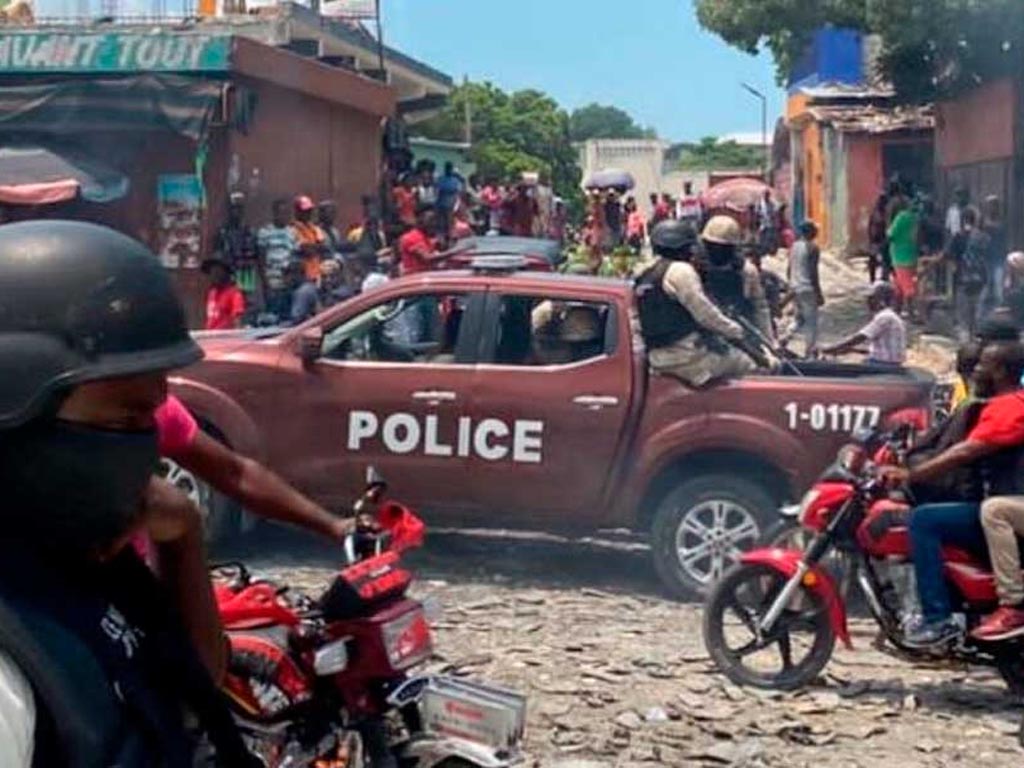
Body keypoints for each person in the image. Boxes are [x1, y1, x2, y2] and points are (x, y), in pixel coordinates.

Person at [0, 220, 259, 767]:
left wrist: (184, 534)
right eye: (127, 420)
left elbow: (193, 692)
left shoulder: (76, 559)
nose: (147, 452)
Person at [882, 340, 1024, 646]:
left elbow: (965, 451)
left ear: (999, 371)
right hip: (1005, 499)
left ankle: (938, 619)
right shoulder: (991, 403)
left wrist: (912, 474)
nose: (977, 370)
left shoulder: (1010, 406)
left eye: (983, 364)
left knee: (924, 521)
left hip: (1009, 503)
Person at [634, 219, 765, 388]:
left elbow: (760, 306)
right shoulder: (682, 270)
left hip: (660, 355)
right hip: (688, 355)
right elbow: (705, 314)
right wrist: (735, 332)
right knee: (752, 366)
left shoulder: (646, 273)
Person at [700, 215, 774, 342]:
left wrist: (768, 340)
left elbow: (760, 307)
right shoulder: (695, 269)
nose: (717, 251)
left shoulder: (746, 271)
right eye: (713, 246)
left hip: (738, 336)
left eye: (722, 248)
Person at [820, 281, 906, 365]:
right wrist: (853, 350)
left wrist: (827, 349)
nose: (868, 302)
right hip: (887, 362)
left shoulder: (884, 318)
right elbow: (883, 350)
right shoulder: (890, 316)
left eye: (871, 298)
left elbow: (858, 338)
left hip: (883, 364)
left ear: (880, 300)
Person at [213, 192, 260, 308]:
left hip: (245, 276)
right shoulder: (222, 232)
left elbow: (253, 256)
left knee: (246, 305)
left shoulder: (249, 231)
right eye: (234, 208)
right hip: (228, 276)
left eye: (239, 209)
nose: (236, 212)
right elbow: (218, 256)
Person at [783, 221, 823, 356]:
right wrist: (818, 293)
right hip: (807, 288)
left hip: (795, 288)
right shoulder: (813, 248)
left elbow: (789, 269)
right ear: (811, 232)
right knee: (811, 321)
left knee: (799, 319)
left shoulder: (793, 247)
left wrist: (790, 287)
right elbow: (813, 272)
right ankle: (810, 350)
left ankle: (785, 338)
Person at [257, 198, 298, 321]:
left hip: (288, 281)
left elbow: (294, 255)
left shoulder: (292, 232)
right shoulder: (265, 232)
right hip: (272, 280)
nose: (283, 216)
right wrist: (265, 283)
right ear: (274, 213)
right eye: (280, 213)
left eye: (286, 213)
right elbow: (261, 260)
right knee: (273, 314)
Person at [888, 197, 920, 316]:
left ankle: (911, 312)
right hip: (911, 253)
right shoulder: (914, 217)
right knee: (899, 285)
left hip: (900, 256)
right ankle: (897, 310)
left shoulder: (900, 217)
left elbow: (891, 235)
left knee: (906, 286)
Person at [290, 195, 327, 283]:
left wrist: (315, 247)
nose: (308, 214)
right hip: (302, 277)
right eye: (305, 211)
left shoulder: (314, 228)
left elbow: (323, 247)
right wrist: (316, 247)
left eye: (309, 211)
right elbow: (307, 250)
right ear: (297, 212)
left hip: (317, 274)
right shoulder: (292, 229)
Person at [398, 205, 444, 275]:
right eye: (430, 220)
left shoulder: (425, 238)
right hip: (415, 280)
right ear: (420, 220)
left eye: (434, 220)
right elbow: (428, 258)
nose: (433, 224)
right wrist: (452, 252)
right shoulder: (411, 237)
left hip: (426, 276)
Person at [202, 257, 246, 330]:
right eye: (211, 272)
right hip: (210, 336)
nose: (213, 276)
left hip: (225, 337)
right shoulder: (212, 293)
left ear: (226, 273)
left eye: (217, 272)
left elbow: (238, 321)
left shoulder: (234, 294)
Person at [983, 194, 1008, 313]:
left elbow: (1001, 234)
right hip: (985, 259)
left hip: (998, 259)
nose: (991, 208)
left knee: (999, 289)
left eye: (993, 205)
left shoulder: (1001, 221)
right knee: (987, 289)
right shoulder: (983, 222)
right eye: (989, 205)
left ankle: (999, 314)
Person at [867, 191, 890, 283]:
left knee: (878, 259)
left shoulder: (877, 212)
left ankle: (877, 277)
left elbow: (870, 226)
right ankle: (878, 277)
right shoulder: (882, 213)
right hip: (878, 239)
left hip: (876, 239)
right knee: (882, 259)